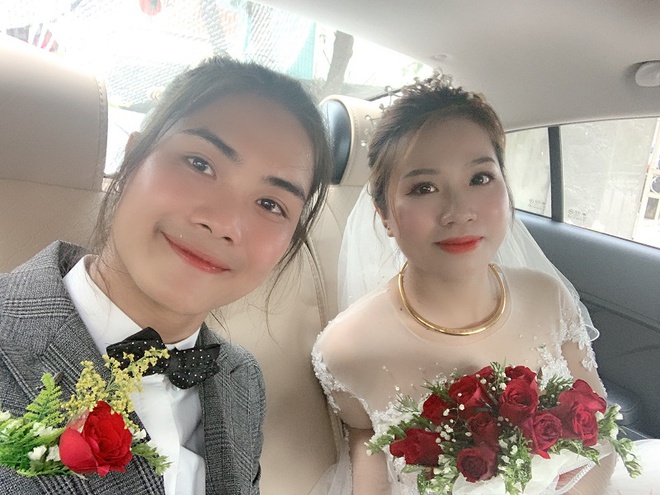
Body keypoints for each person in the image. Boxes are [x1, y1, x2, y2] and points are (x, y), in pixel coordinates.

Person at [0, 56, 332, 494]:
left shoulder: (242, 379)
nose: (225, 224)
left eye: (271, 204)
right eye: (200, 163)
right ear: (132, 158)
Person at [312, 76, 658, 494]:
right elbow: (366, 446)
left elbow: (598, 431)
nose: (459, 212)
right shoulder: (345, 349)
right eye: (424, 188)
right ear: (384, 214)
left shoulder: (548, 298)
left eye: (479, 178)